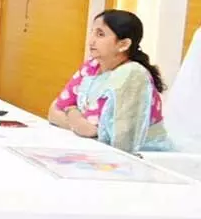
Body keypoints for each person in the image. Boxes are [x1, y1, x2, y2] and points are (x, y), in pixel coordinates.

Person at [49, 9, 172, 153]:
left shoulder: (132, 75)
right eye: (92, 32)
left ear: (123, 44)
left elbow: (99, 133)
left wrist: (71, 112)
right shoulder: (92, 65)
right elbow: (54, 111)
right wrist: (76, 118)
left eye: (100, 34)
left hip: (141, 157)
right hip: (93, 149)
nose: (91, 40)